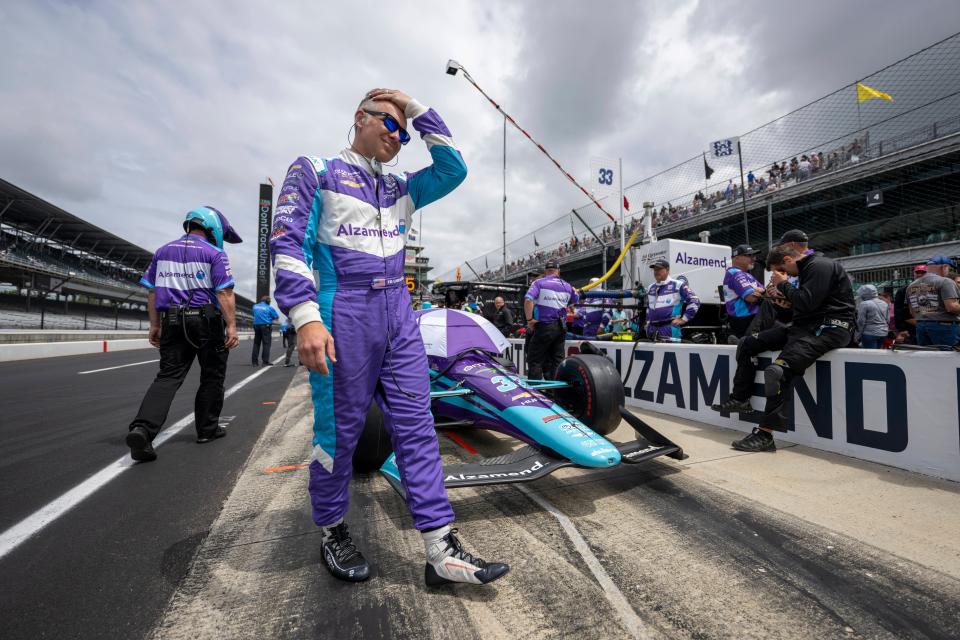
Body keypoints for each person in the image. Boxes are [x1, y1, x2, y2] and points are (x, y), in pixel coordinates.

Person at [270, 87, 508, 586]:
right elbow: (286, 241)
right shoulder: (315, 170)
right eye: (391, 125)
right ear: (360, 118)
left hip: (399, 313)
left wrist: (417, 107)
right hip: (343, 309)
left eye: (405, 131)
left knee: (418, 428)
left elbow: (454, 169)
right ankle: (333, 530)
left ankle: (440, 550)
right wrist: (304, 316)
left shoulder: (402, 185)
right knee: (338, 434)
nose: (399, 138)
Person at [126, 207, 242, 462]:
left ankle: (142, 429)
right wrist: (231, 326)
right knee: (212, 376)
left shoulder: (162, 251)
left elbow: (153, 292)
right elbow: (224, 293)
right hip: (206, 321)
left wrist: (154, 325)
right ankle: (206, 430)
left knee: (167, 377)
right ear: (213, 228)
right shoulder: (215, 253)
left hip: (172, 320)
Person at [727, 244, 855, 452]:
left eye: (783, 270)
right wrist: (783, 304)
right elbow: (802, 309)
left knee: (777, 372)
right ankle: (740, 399)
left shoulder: (820, 265)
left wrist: (784, 285)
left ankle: (765, 435)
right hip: (804, 327)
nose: (784, 275)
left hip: (830, 328)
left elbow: (807, 303)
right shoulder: (806, 271)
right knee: (747, 343)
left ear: (787, 260)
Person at [524, 260, 578, 380]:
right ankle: (556, 393)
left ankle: (535, 393)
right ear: (558, 271)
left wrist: (529, 320)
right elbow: (575, 300)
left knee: (534, 359)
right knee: (557, 360)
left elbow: (528, 300)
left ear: (545, 271)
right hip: (561, 327)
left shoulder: (539, 283)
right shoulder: (568, 286)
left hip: (545, 326)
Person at [906, 255, 960, 346]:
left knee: (928, 357)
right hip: (944, 327)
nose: (950, 272)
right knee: (949, 357)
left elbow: (912, 312)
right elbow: (952, 307)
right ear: (944, 267)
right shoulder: (945, 281)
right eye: (950, 269)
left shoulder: (911, 286)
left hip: (921, 326)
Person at [645, 259, 700, 341]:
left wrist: (683, 319)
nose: (656, 272)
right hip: (652, 329)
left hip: (669, 329)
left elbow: (695, 301)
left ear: (667, 270)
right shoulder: (651, 287)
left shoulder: (678, 285)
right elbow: (649, 308)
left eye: (659, 269)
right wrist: (647, 322)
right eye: (655, 269)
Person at [722, 244, 764, 338]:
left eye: (754, 255)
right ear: (736, 258)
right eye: (749, 256)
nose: (754, 258)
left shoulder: (746, 274)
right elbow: (751, 297)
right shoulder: (735, 273)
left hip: (751, 318)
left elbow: (766, 291)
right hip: (744, 320)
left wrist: (759, 291)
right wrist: (758, 291)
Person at [894, 265, 927, 343]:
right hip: (910, 328)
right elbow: (898, 310)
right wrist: (902, 329)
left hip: (927, 324)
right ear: (914, 274)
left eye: (922, 272)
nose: (919, 274)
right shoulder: (904, 290)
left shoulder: (932, 288)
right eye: (917, 272)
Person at [856, 284, 889, 349]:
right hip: (883, 333)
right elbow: (888, 320)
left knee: (869, 356)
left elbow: (861, 321)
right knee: (877, 354)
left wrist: (857, 335)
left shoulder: (864, 304)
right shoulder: (884, 303)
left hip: (869, 333)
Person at [251, 296, 279, 366]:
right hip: (266, 326)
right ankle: (265, 361)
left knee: (256, 343)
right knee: (266, 344)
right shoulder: (269, 307)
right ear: (268, 301)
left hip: (256, 326)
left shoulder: (254, 306)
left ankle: (254, 362)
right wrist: (270, 317)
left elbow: (253, 314)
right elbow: (276, 316)